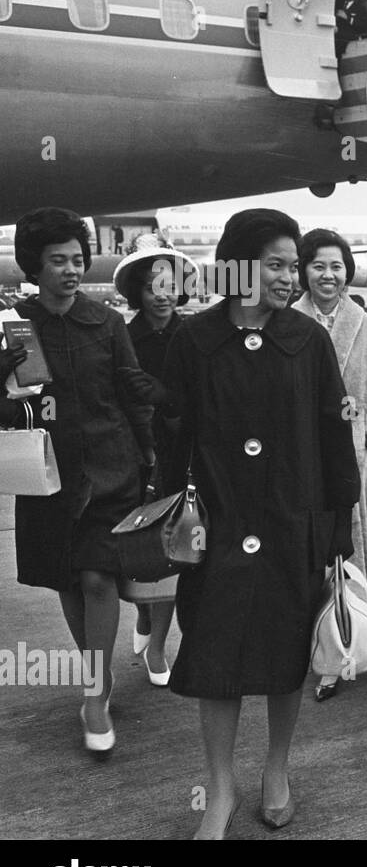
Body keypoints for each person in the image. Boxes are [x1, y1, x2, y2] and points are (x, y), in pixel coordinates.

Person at [159, 209, 359, 838]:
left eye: (292, 264)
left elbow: (332, 437)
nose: (289, 275)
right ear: (239, 265)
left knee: (282, 653)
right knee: (215, 655)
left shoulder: (307, 340)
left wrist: (336, 530)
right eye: (275, 263)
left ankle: (277, 770)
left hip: (290, 522)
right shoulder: (193, 342)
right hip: (217, 524)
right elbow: (170, 435)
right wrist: (172, 516)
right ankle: (219, 788)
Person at [0, 208, 156, 755]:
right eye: (58, 260)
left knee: (97, 579)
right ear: (33, 266)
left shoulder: (107, 323)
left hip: (112, 468)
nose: (71, 269)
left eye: (77, 259)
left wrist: (153, 450)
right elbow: (5, 410)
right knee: (68, 580)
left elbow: (131, 390)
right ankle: (97, 674)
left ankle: (95, 691)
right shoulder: (13, 326)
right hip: (49, 473)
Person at [292, 228, 367, 703]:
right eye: (318, 266)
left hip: (354, 454)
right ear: (302, 270)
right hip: (300, 458)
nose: (328, 275)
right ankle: (314, 650)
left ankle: (344, 644)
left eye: (336, 266)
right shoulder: (285, 323)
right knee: (306, 554)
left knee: (346, 555)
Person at [117, 233, 200, 688]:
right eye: (153, 286)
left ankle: (157, 645)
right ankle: (144, 614)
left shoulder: (193, 332)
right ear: (138, 291)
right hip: (138, 454)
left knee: (173, 551)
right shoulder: (124, 337)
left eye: (170, 284)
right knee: (137, 547)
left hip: (183, 452)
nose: (163, 296)